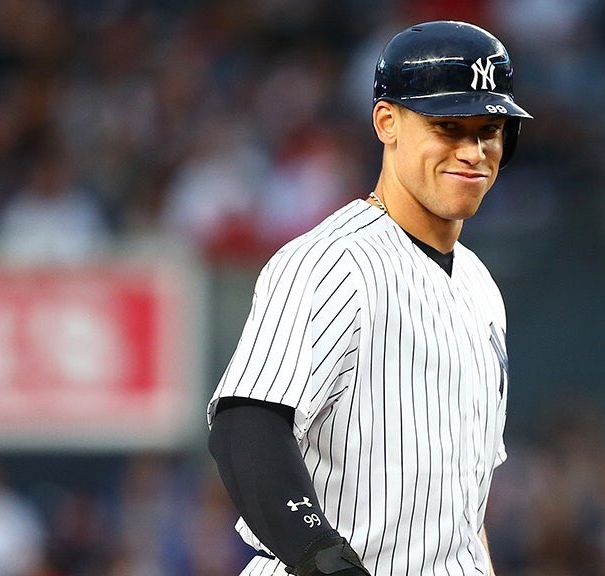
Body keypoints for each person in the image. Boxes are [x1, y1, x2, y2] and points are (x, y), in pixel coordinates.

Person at [207, 20, 532, 576]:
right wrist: (322, 560)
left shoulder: (480, 287)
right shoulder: (335, 261)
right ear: (387, 122)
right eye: (448, 127)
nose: (473, 152)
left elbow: (462, 507)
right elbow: (247, 427)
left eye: (489, 130)